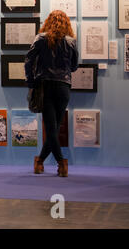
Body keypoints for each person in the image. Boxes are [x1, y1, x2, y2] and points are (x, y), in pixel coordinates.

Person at [25, 10, 79, 177]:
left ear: (48, 22)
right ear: (66, 24)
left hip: (45, 85)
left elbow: (28, 61)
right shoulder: (71, 41)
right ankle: (40, 162)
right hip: (64, 86)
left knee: (50, 128)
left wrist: (31, 81)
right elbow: (74, 66)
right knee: (54, 127)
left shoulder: (40, 39)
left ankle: (61, 163)